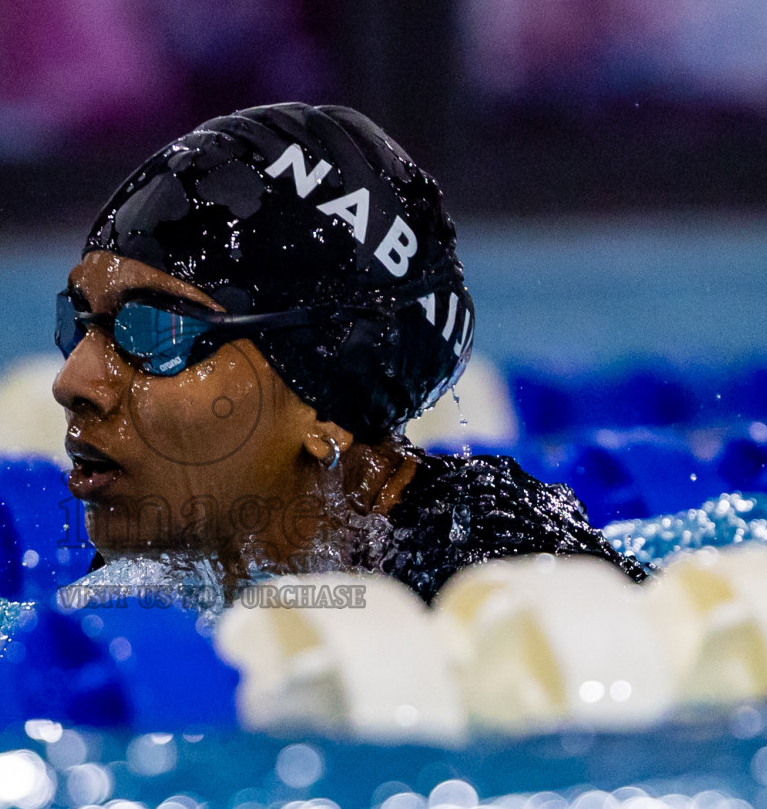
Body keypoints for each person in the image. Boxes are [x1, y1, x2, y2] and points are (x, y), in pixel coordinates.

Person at [52, 102, 646, 604]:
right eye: (79, 324)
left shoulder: (498, 574)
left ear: (324, 404)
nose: (74, 379)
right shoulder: (150, 571)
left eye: (154, 331)